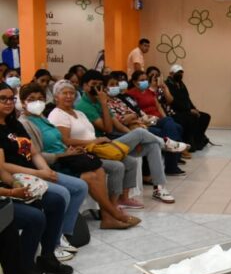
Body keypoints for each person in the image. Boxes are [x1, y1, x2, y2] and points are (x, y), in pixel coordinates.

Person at [18, 84, 140, 230]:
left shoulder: (42, 117)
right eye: (31, 99)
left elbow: (59, 140)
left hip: (68, 155)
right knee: (89, 176)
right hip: (52, 162)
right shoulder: (24, 124)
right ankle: (115, 213)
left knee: (98, 169)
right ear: (22, 102)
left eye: (40, 99)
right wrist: (62, 154)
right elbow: (34, 154)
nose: (37, 102)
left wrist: (69, 150)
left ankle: (107, 219)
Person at [0, 81, 82, 264]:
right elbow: (3, 166)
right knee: (54, 199)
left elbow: (33, 152)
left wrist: (45, 169)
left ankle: (48, 253)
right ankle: (27, 265)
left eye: (10, 99)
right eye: (2, 99)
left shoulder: (14, 124)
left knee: (57, 200)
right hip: (14, 178)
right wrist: (39, 174)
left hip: (32, 173)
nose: (7, 103)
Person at [71, 70, 181, 203]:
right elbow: (108, 128)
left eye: (100, 85)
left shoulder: (100, 100)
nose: (97, 88)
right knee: (141, 133)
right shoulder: (84, 105)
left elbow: (117, 125)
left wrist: (136, 139)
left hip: (113, 140)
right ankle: (167, 144)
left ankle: (159, 188)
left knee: (151, 144)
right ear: (84, 86)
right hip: (100, 145)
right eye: (94, 85)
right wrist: (105, 104)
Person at [48, 79, 144, 210]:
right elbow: (65, 140)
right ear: (56, 97)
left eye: (71, 93)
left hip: (97, 147)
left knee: (131, 161)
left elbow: (108, 128)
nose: (69, 96)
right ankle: (112, 205)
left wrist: (104, 104)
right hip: (82, 152)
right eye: (65, 93)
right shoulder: (57, 115)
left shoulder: (79, 113)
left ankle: (124, 198)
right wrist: (93, 142)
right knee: (117, 166)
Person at [125, 70, 186, 175]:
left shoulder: (150, 92)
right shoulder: (131, 94)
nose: (145, 82)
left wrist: (166, 119)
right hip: (147, 121)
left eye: (146, 80)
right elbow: (136, 112)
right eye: (142, 80)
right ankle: (172, 164)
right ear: (135, 82)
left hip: (157, 119)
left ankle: (172, 156)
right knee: (173, 128)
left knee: (174, 124)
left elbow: (158, 107)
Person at [164, 64, 211, 151]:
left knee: (205, 117)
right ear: (171, 73)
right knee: (191, 118)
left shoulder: (181, 84)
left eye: (181, 73)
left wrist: (194, 108)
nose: (180, 75)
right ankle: (189, 143)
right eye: (178, 73)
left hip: (186, 109)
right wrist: (189, 110)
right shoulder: (168, 85)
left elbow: (187, 98)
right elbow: (174, 102)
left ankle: (198, 140)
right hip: (176, 111)